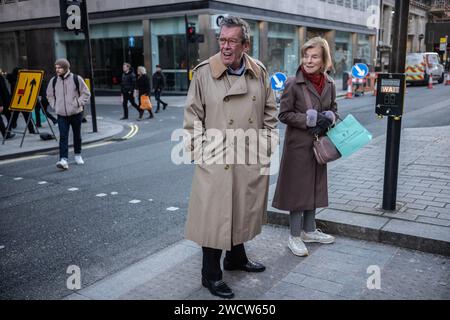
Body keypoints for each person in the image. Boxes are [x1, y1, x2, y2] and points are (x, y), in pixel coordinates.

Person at [183, 16, 278, 299]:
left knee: (240, 211)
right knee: (215, 217)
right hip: (217, 159)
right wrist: (201, 154)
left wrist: (266, 147)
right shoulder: (203, 73)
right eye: (221, 40)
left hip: (248, 156)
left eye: (231, 41)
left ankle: (236, 258)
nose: (225, 46)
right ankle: (210, 275)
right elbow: (192, 118)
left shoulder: (258, 71)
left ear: (245, 45)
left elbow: (270, 112)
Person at [272, 37, 337, 257]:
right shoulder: (293, 82)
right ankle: (294, 236)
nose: (308, 60)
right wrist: (308, 119)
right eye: (306, 56)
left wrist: (330, 116)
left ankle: (309, 230)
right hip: (298, 147)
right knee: (297, 191)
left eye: (314, 56)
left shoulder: (330, 83)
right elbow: (283, 114)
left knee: (315, 186)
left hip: (319, 146)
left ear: (324, 60)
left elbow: (335, 109)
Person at [46, 58, 91, 170]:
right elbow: (49, 95)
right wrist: (55, 105)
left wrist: (77, 103)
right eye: (56, 68)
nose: (57, 70)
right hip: (61, 114)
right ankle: (63, 159)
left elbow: (86, 93)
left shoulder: (76, 78)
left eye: (59, 67)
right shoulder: (54, 81)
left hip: (76, 113)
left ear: (65, 68)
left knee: (77, 135)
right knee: (63, 136)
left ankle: (77, 154)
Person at [7, 67, 36, 134]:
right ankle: (31, 130)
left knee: (17, 116)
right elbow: (18, 91)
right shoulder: (15, 81)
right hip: (19, 100)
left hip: (19, 100)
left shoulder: (15, 80)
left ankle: (9, 127)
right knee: (25, 115)